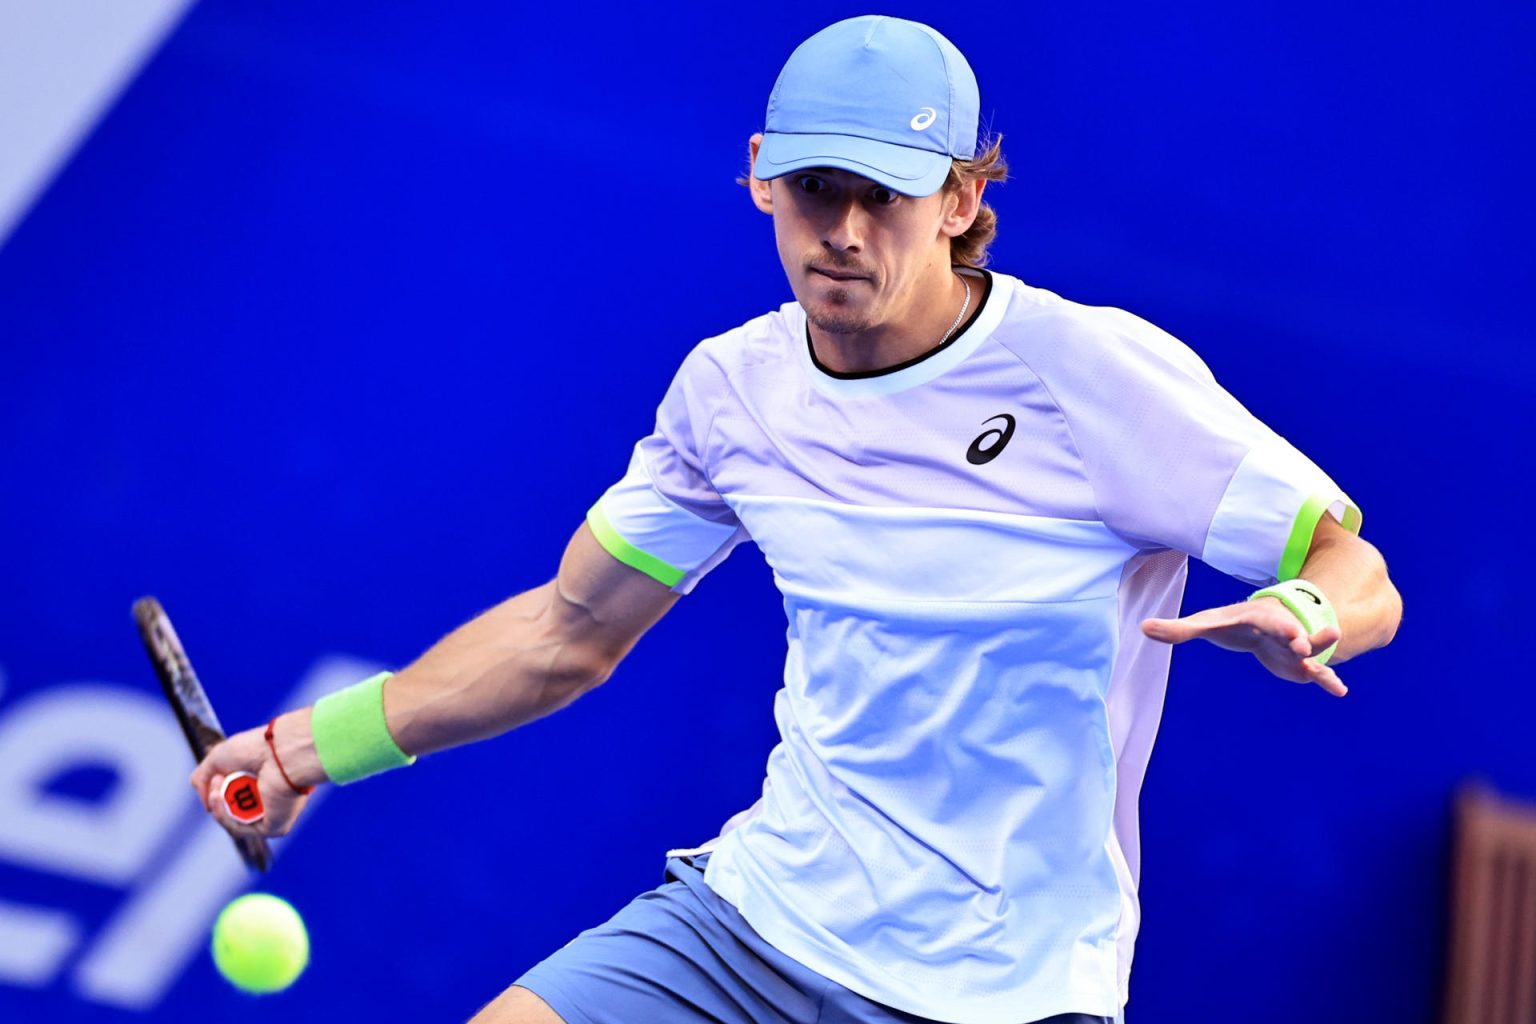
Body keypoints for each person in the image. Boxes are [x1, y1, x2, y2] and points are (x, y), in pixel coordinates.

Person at [190, 15, 1402, 1024]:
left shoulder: (1094, 376)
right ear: (763, 170)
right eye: (819, 187)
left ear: (964, 200)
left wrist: (1307, 608)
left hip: (1006, 989)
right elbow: (570, 631)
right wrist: (310, 746)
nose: (845, 230)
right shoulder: (734, 392)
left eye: (889, 194)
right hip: (757, 923)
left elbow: (1356, 568)